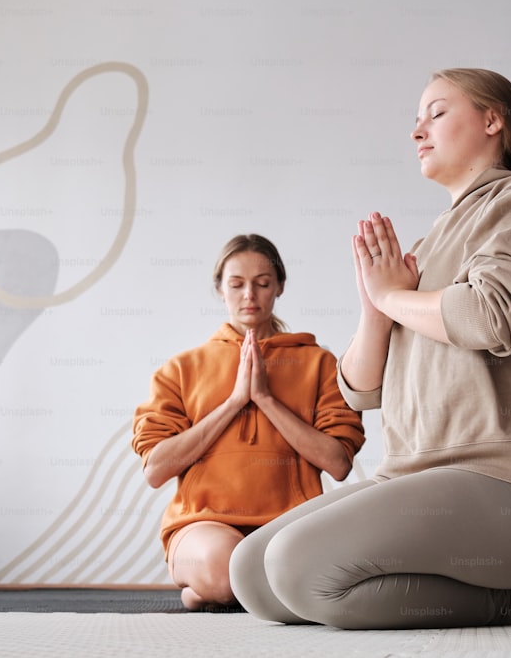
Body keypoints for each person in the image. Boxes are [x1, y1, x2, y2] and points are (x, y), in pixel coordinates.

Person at [230, 68, 511, 628]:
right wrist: (376, 307)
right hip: (416, 475)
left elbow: (492, 316)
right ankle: (510, 594)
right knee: (253, 574)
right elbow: (360, 392)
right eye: (415, 120)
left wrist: (394, 295)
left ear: (492, 120)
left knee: (296, 567)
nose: (417, 132)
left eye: (435, 113)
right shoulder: (429, 247)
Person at [132, 234, 366, 611]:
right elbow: (156, 470)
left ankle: (222, 594)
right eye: (237, 285)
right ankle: (216, 588)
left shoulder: (319, 364)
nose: (249, 296)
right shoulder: (180, 369)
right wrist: (235, 402)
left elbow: (337, 463)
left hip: (290, 524)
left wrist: (267, 400)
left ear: (280, 287)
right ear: (220, 289)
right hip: (204, 523)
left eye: (262, 284)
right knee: (226, 574)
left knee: (333, 580)